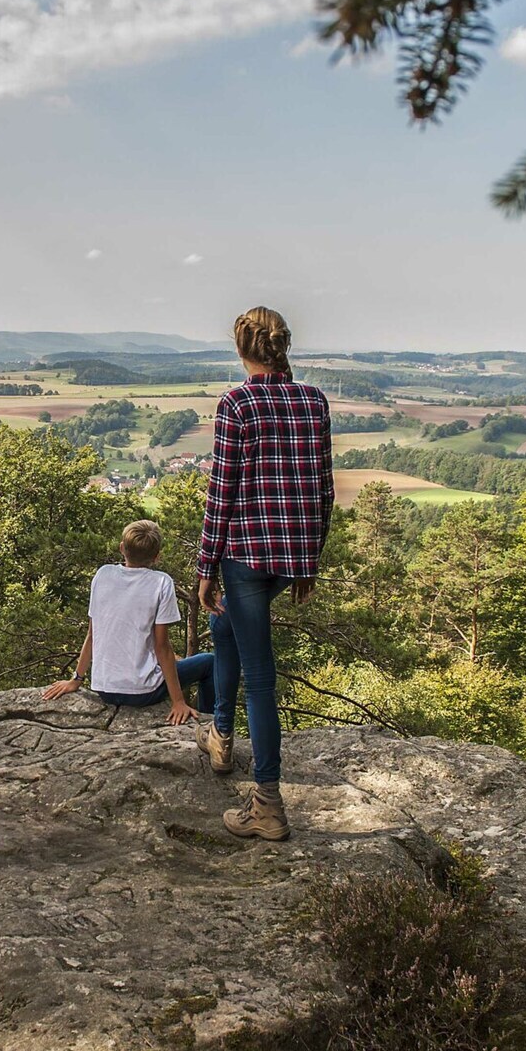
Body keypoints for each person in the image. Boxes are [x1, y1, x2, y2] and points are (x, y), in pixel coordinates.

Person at [197, 307, 333, 841]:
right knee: (224, 629)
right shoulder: (313, 401)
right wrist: (310, 560)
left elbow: (222, 492)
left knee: (260, 677)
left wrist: (206, 567)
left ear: (241, 349)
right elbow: (323, 489)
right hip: (290, 554)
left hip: (246, 556)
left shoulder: (238, 404)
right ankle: (222, 736)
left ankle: (268, 804)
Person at [42, 520, 215, 724]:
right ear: (157, 556)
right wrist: (178, 701)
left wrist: (77, 680)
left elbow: (92, 634)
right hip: (142, 693)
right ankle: (209, 723)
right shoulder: (161, 582)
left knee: (177, 660)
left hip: (104, 689)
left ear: (122, 548)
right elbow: (162, 647)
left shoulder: (103, 574)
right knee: (210, 662)